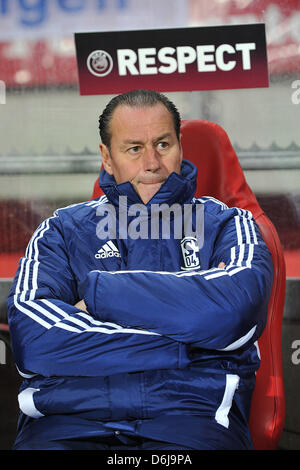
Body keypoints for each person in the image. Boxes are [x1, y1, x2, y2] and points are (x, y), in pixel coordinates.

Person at [7, 89, 273, 450]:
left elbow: (234, 312)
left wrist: (98, 297)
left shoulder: (229, 223)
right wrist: (189, 337)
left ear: (180, 147)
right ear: (107, 157)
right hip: (67, 422)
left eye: (163, 144)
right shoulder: (61, 230)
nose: (151, 162)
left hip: (193, 420)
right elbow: (35, 342)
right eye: (134, 148)